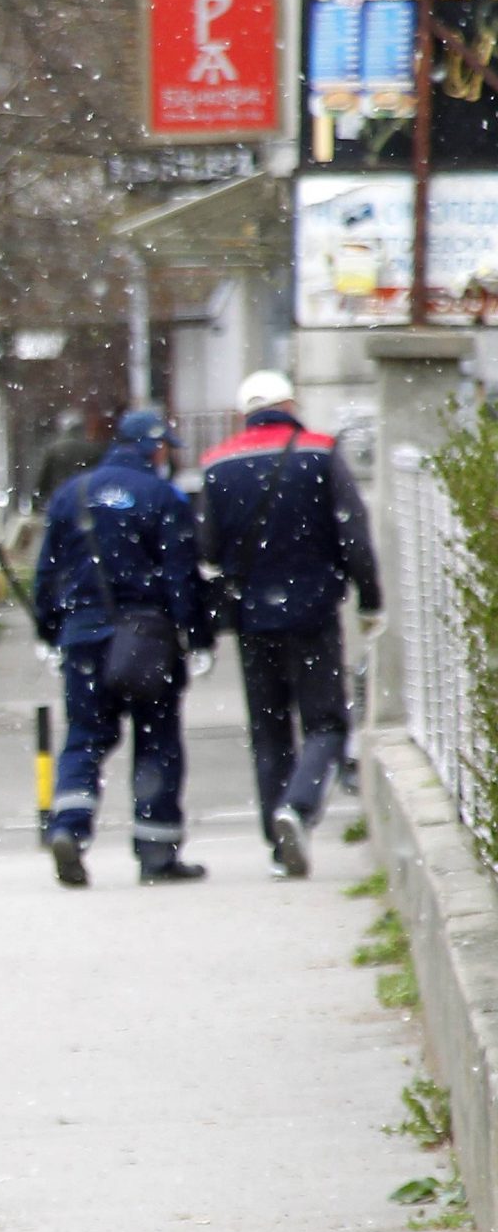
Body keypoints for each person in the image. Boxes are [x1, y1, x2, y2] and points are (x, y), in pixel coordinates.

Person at [198, 371, 381, 877]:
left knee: (269, 728)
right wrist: (370, 599)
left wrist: (212, 622)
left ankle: (279, 846)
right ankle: (296, 808)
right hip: (314, 612)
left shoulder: (217, 464)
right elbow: (354, 534)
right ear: (291, 403)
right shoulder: (320, 453)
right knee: (325, 721)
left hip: (253, 618)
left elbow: (207, 552)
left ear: (245, 414)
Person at [33, 409, 214, 887]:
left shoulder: (71, 495)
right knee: (157, 743)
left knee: (84, 738)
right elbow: (181, 577)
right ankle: (157, 855)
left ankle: (69, 828)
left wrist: (48, 630)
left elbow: (47, 574)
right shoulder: (164, 497)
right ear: (154, 449)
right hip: (146, 640)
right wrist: (196, 638)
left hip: (83, 637)